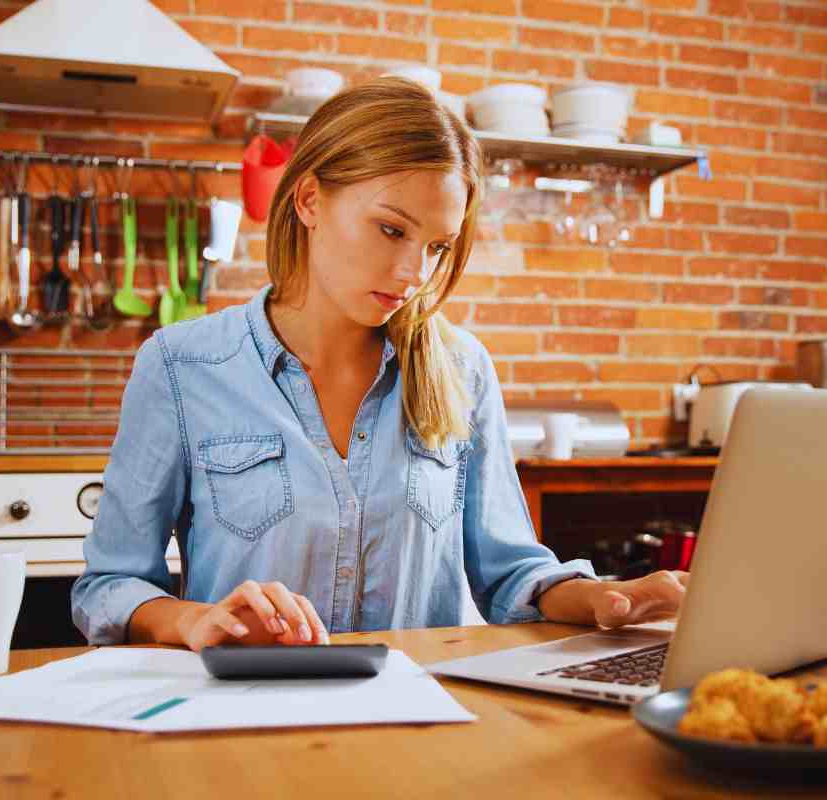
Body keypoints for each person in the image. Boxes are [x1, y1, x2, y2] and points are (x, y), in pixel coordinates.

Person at [71, 77, 687, 652]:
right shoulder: (182, 366)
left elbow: (512, 575)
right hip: (246, 728)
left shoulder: (462, 369)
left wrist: (611, 597)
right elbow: (109, 586)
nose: (414, 274)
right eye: (392, 230)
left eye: (437, 248)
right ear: (310, 198)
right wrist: (194, 618)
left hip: (420, 730)